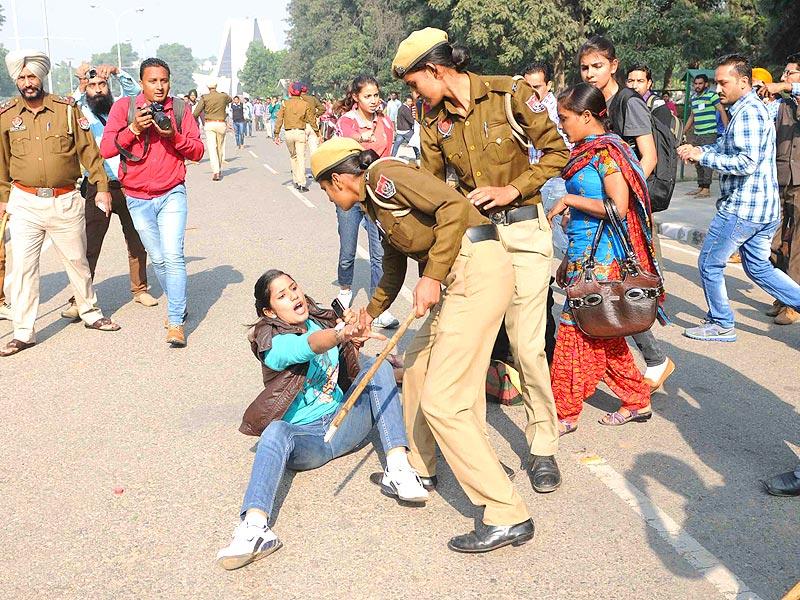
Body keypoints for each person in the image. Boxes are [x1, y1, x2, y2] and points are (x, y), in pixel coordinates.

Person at [312, 137, 533, 552]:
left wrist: (430, 277)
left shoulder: (383, 177)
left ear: (340, 177)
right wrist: (370, 312)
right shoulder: (373, 206)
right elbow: (394, 266)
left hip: (474, 273)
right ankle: (420, 467)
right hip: (457, 278)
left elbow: (453, 207)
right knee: (415, 367)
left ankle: (506, 513)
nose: (327, 197)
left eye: (325, 187)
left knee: (444, 401)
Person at [392, 27, 569, 493]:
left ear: (435, 69)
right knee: (467, 350)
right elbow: (432, 192)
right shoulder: (433, 123)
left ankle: (543, 444)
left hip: (526, 231)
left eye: (414, 83)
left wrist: (513, 189)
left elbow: (557, 151)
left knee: (527, 346)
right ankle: (474, 458)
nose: (414, 94)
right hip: (478, 243)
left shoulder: (510, 92)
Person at [217, 269, 428, 570]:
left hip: (344, 423)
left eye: (294, 287)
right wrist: (341, 334)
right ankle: (254, 529)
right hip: (309, 441)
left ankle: (398, 468)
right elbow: (309, 345)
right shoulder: (272, 343)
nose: (293, 296)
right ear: (269, 310)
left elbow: (347, 362)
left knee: (375, 364)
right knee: (275, 431)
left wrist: (353, 340)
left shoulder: (321, 319)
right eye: (282, 295)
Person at [547, 83, 661, 433]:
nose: (560, 125)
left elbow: (618, 207)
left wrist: (570, 202)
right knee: (603, 332)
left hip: (603, 259)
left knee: (573, 333)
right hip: (583, 253)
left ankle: (563, 413)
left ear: (585, 116)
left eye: (564, 118)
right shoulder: (586, 150)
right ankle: (638, 399)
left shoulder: (608, 153)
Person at [0, 49, 121, 356]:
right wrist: (3, 201)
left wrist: (103, 188)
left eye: (33, 76)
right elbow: (1, 164)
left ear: (42, 77)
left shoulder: (66, 110)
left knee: (77, 261)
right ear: (17, 80)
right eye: (23, 77)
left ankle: (90, 312)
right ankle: (23, 331)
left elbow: (90, 153)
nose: (28, 82)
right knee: (25, 267)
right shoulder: (7, 116)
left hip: (65, 200)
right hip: (25, 202)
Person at [677, 54, 800, 341]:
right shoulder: (747, 109)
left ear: (743, 82)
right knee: (758, 267)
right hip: (762, 210)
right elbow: (728, 145)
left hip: (743, 209)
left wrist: (702, 156)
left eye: (723, 83)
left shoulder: (747, 112)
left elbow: (746, 162)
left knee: (710, 263)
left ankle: (721, 323)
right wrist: (702, 152)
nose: (718, 89)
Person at [578, 35, 675, 391]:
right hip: (609, 206)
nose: (590, 73)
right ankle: (645, 361)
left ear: (614, 66)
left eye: (597, 66)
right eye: (585, 67)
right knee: (611, 286)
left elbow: (647, 157)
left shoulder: (627, 103)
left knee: (627, 285)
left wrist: (624, 199)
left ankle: (653, 360)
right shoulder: (597, 102)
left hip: (626, 209)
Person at [100, 57, 204, 347]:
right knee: (157, 258)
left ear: (170, 82)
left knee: (173, 256)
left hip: (172, 192)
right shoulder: (124, 108)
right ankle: (177, 302)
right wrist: (134, 128)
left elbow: (197, 151)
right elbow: (106, 148)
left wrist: (173, 136)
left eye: (164, 81)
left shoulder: (180, 109)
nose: (159, 87)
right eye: (152, 81)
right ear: (142, 83)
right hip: (136, 196)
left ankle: (175, 322)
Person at [58, 63, 158, 322]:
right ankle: (78, 299)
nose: (98, 90)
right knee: (89, 245)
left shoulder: (120, 110)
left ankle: (140, 289)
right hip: (98, 186)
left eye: (101, 85)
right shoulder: (82, 114)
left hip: (128, 184)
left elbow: (135, 91)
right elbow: (71, 104)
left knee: (136, 239)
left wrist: (115, 72)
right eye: (93, 86)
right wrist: (82, 84)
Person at [334, 74, 399, 329]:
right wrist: (363, 138)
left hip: (375, 196)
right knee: (348, 251)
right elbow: (346, 146)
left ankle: (379, 308)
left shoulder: (386, 123)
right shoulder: (346, 122)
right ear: (356, 98)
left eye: (375, 95)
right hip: (350, 194)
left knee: (380, 254)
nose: (373, 101)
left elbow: (387, 158)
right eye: (367, 96)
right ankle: (345, 293)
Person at [759, 54, 800, 325]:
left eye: (790, 74)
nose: (783, 78)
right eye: (783, 74)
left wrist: (785, 88)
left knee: (796, 243)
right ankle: (781, 294)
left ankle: (793, 303)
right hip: (779, 178)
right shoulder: (781, 105)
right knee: (775, 242)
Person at [683, 73, 729, 197]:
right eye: (696, 84)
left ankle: (706, 188)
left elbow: (721, 110)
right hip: (696, 134)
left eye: (700, 83)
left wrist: (727, 129)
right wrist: (683, 131)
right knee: (696, 161)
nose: (697, 86)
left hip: (709, 134)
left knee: (706, 161)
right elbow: (692, 116)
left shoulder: (712, 96)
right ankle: (700, 186)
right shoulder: (693, 98)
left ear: (706, 84)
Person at [274, 82, 320, 193]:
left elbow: (279, 119)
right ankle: (302, 183)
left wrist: (276, 134)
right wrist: (317, 132)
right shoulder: (305, 104)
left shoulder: (285, 104)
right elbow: (311, 120)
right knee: (301, 158)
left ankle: (295, 179)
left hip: (289, 133)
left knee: (293, 156)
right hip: (300, 133)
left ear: (290, 92)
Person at [193, 80, 231, 181]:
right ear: (216, 86)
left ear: (208, 88)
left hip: (209, 123)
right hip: (221, 123)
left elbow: (197, 112)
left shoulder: (205, 97)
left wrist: (192, 119)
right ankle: (218, 168)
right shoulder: (223, 96)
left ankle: (216, 171)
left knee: (212, 148)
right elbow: (230, 100)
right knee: (220, 147)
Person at [390, 96, 420, 160]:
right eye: (409, 101)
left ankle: (392, 158)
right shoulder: (405, 109)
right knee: (415, 143)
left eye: (411, 101)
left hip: (400, 130)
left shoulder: (401, 108)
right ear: (405, 101)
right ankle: (418, 157)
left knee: (396, 145)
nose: (410, 103)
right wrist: (417, 124)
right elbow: (410, 119)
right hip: (406, 130)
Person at [300, 83, 325, 155]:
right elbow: (322, 109)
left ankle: (301, 166)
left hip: (302, 125)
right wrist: (316, 115)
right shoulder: (312, 98)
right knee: (314, 149)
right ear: (306, 91)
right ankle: (314, 165)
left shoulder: (298, 99)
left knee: (301, 150)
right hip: (313, 125)